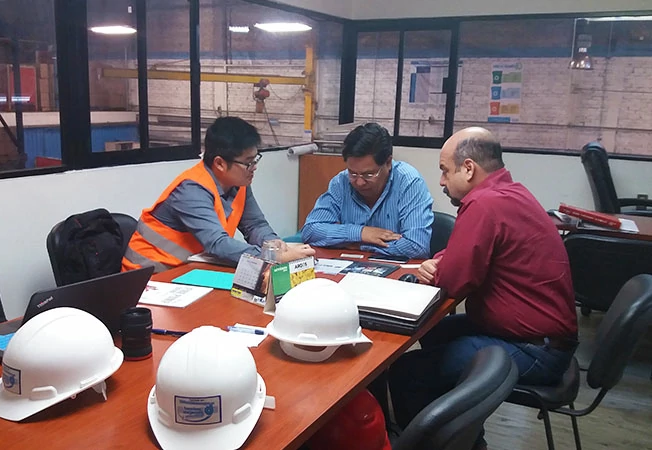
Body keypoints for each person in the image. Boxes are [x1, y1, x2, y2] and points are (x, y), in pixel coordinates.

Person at [387, 127, 577, 450]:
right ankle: (465, 433)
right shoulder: (509, 193)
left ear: (468, 168)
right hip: (542, 339)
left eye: (445, 171)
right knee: (435, 332)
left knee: (407, 372)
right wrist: (442, 261)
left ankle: (448, 442)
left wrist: (438, 269)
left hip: (536, 351)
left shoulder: (483, 204)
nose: (442, 181)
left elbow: (454, 282)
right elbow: (465, 255)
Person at [122, 116, 315, 273]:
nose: (254, 167)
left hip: (190, 269)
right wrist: (273, 256)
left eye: (255, 159)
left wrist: (277, 245)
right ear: (220, 163)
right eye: (248, 162)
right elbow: (218, 243)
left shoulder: (239, 184)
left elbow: (255, 225)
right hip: (150, 275)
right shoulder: (192, 190)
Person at [301, 123, 433, 259]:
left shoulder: (409, 182)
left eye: (368, 175)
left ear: (388, 163)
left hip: (395, 269)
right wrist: (360, 233)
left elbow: (417, 246)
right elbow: (310, 231)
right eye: (353, 173)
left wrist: (359, 245)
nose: (359, 182)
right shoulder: (341, 182)